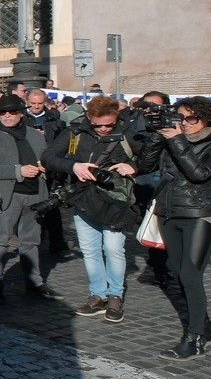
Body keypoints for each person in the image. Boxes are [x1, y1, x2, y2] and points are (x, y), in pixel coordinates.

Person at [42, 95, 140, 323]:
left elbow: (150, 158)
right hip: (84, 197)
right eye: (99, 124)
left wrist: (133, 166)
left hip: (116, 200)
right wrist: (74, 166)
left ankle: (115, 295)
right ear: (89, 118)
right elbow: (48, 157)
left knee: (114, 249)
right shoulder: (75, 131)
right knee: (90, 249)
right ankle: (98, 294)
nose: (105, 129)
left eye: (110, 124)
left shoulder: (127, 131)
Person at [135, 96, 211, 359]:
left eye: (192, 118)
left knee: (191, 274)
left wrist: (176, 139)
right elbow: (144, 166)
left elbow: (199, 174)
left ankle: (193, 340)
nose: (186, 123)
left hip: (199, 215)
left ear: (206, 119)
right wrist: (160, 136)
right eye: (181, 118)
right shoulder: (171, 138)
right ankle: (204, 328)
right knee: (179, 274)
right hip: (168, 212)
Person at [0, 94, 59, 301]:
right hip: (8, 196)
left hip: (35, 194)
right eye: (3, 112)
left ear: (21, 113)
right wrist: (18, 170)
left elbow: (46, 160)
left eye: (12, 112)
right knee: (0, 240)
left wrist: (45, 168)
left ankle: (34, 282)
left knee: (31, 240)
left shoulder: (36, 135)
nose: (7, 116)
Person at [131, 90, 174, 286]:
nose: (151, 111)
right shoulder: (133, 126)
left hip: (169, 179)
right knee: (152, 223)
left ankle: (163, 265)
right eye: (147, 107)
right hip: (146, 180)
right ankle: (159, 266)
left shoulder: (175, 123)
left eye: (156, 107)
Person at [24, 88, 70, 255]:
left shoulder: (54, 119)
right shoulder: (22, 118)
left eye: (40, 103)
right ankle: (33, 239)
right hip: (29, 163)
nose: (36, 106)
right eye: (33, 103)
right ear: (27, 103)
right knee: (30, 203)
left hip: (49, 164)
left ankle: (57, 241)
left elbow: (62, 142)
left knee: (52, 205)